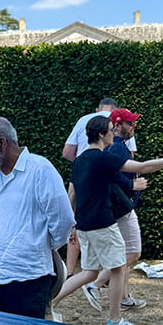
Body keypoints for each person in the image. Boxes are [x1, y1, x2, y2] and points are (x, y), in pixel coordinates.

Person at [84, 108, 163, 312]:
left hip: (119, 207)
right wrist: (131, 186)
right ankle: (96, 285)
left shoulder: (114, 148)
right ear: (116, 127)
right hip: (122, 208)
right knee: (132, 253)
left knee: (127, 254)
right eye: (130, 123)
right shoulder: (115, 149)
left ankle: (122, 296)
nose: (133, 127)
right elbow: (132, 172)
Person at [0, 117, 75, 319]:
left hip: (29, 279)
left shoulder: (40, 170)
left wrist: (42, 243)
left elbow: (63, 219)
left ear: (2, 143)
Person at [60, 98, 120, 290]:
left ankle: (70, 273)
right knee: (105, 227)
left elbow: (68, 152)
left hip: (80, 173)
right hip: (100, 178)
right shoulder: (118, 121)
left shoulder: (83, 120)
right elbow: (132, 160)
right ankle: (104, 276)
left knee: (76, 222)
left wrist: (81, 164)